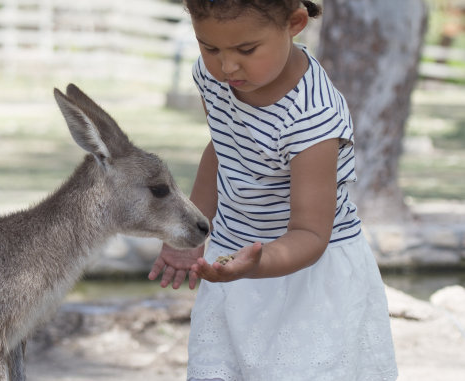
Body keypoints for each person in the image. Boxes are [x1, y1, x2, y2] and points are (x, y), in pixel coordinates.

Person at [147, 0, 399, 380]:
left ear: (294, 23)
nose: (227, 66)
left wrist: (257, 264)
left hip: (306, 276)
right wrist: (192, 232)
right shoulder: (215, 77)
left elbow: (311, 234)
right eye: (209, 47)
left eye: (246, 50)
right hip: (235, 259)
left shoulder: (312, 118)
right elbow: (223, 149)